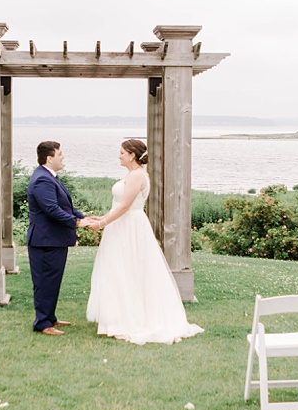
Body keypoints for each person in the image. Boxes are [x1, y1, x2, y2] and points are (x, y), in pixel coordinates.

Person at [86, 139, 204, 345]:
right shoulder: (133, 175)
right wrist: (101, 217)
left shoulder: (137, 176)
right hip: (123, 224)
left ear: (132, 155)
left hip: (129, 227)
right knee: (119, 268)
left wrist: (102, 223)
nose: (119, 155)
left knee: (130, 268)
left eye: (122, 152)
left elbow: (125, 207)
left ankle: (131, 318)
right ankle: (120, 312)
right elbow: (118, 206)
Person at [26, 140, 92, 336]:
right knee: (45, 281)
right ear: (49, 158)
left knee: (52, 280)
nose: (63, 157)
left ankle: (50, 317)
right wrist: (77, 223)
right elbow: (52, 210)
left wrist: (83, 217)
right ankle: (42, 323)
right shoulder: (42, 180)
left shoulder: (49, 177)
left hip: (53, 239)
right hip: (45, 240)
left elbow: (65, 207)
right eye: (60, 153)